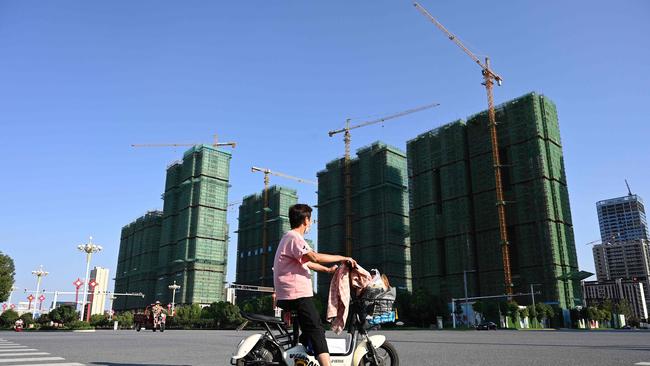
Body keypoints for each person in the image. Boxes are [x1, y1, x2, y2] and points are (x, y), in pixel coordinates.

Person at [273, 204, 358, 366]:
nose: (311, 223)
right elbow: (314, 257)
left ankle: (304, 358)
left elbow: (308, 264)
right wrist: (342, 257)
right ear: (305, 220)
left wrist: (328, 270)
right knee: (316, 329)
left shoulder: (290, 239)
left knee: (311, 325)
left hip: (290, 294)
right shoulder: (294, 238)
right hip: (296, 294)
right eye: (310, 220)